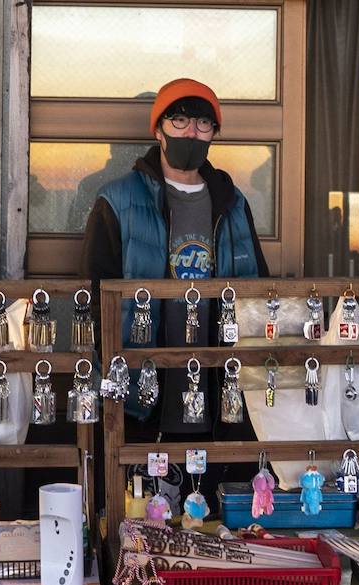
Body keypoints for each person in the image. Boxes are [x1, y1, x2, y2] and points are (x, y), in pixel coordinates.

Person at [81, 77, 268, 438]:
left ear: (214, 133)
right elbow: (94, 294)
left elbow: (257, 286)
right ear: (159, 130)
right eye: (179, 121)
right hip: (143, 386)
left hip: (219, 385)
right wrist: (112, 366)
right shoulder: (118, 200)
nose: (192, 133)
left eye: (203, 124)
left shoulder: (233, 202)